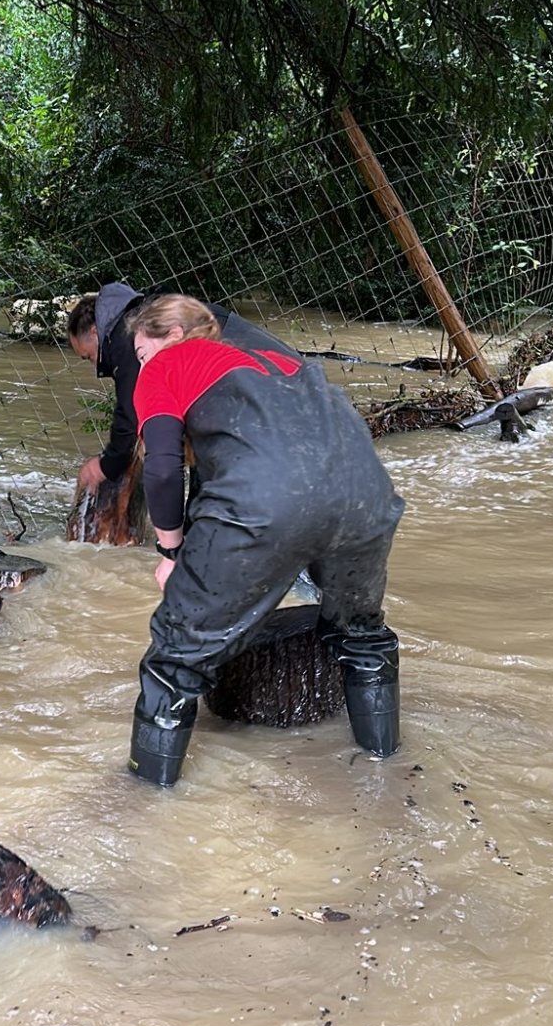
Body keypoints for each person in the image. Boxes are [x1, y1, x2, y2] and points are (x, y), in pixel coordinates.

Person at [123, 296, 405, 786]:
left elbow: (163, 468)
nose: (140, 363)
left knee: (175, 662)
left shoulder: (168, 363)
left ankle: (142, 804)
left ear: (170, 334)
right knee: (363, 638)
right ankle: (387, 770)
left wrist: (171, 551)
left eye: (141, 351)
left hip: (265, 501)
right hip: (368, 496)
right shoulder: (276, 360)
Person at [66, 282, 300, 498]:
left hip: (272, 385)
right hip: (290, 386)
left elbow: (131, 412)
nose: (95, 365)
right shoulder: (141, 315)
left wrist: (105, 465)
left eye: (88, 356)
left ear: (96, 331)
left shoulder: (125, 332)